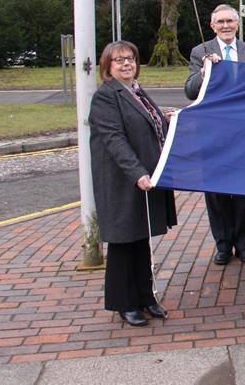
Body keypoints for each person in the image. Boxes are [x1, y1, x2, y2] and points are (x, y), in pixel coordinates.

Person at [89, 41, 177, 327]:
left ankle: (146, 297)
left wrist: (164, 120)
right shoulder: (106, 97)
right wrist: (138, 173)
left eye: (131, 58)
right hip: (123, 182)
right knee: (123, 243)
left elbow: (144, 126)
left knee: (141, 242)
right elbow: (115, 140)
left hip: (143, 181)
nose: (126, 64)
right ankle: (125, 304)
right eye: (119, 60)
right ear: (108, 66)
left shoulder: (136, 91)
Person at [185, 4, 245, 266]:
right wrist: (203, 74)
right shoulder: (200, 52)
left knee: (244, 191)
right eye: (220, 22)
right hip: (211, 134)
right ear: (212, 26)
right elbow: (190, 91)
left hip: (243, 133)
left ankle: (244, 246)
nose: (225, 26)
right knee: (216, 191)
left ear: (237, 24)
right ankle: (223, 246)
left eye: (230, 21)